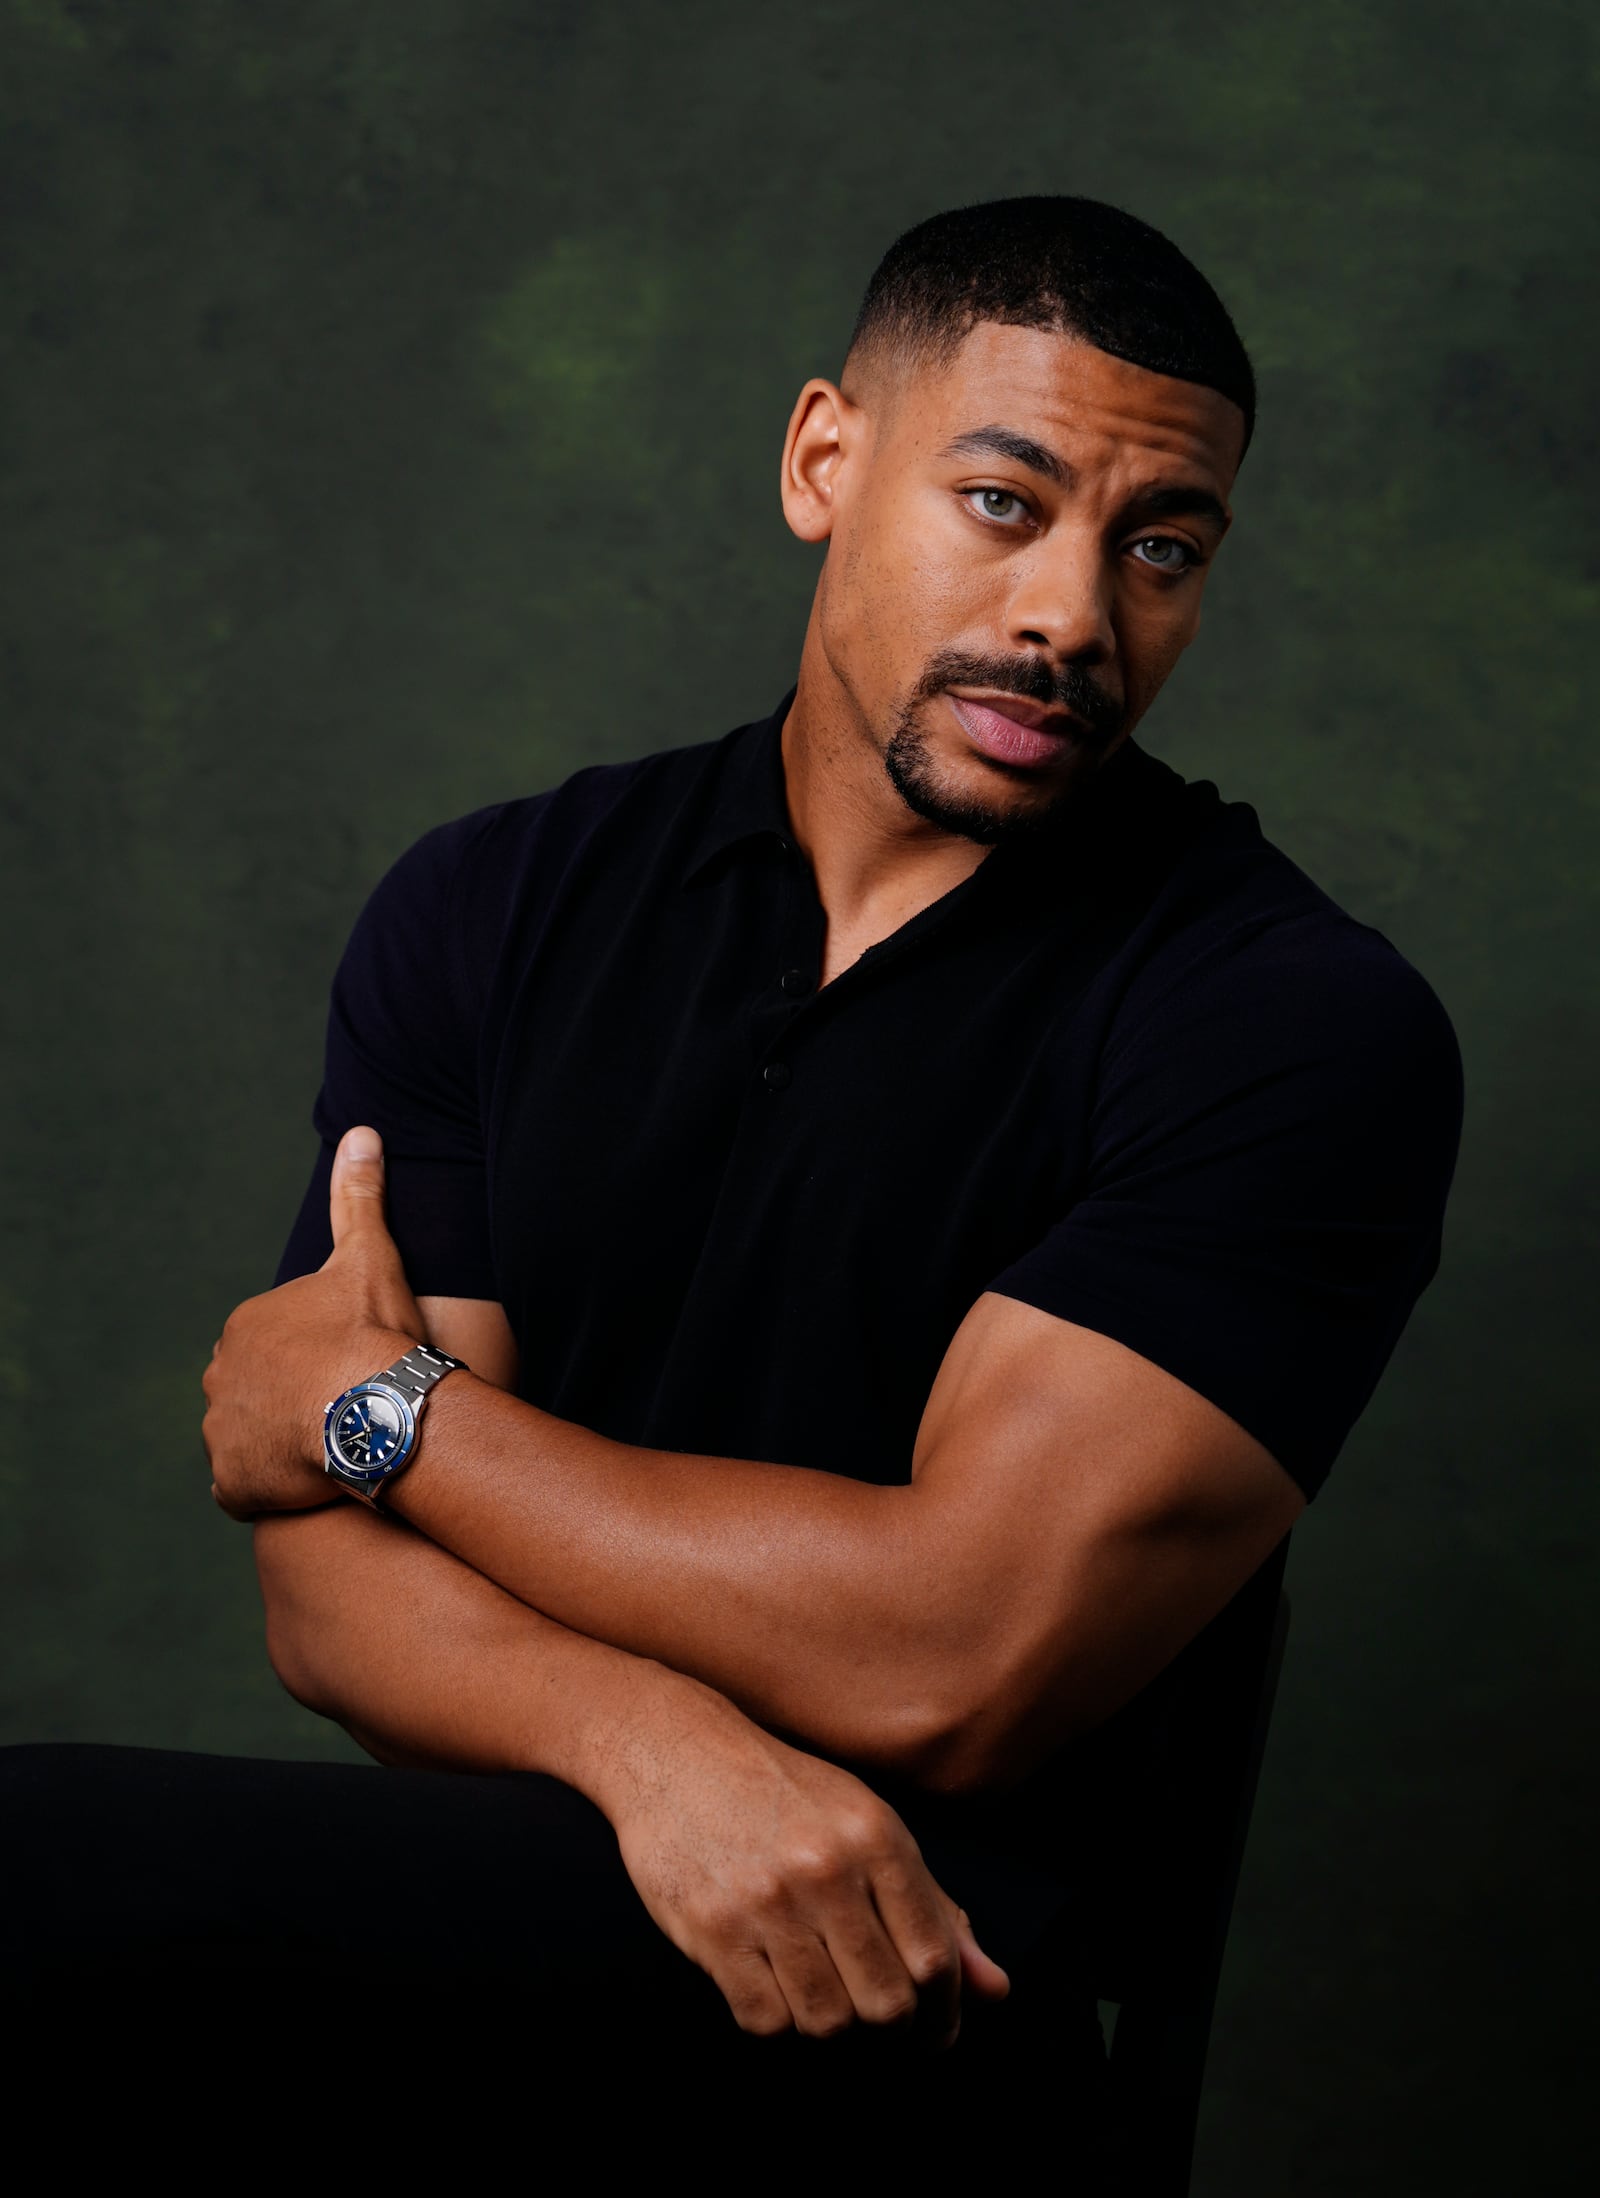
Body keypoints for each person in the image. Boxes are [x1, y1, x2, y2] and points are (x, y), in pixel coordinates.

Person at [5, 196, 1463, 2171]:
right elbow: (326, 1596)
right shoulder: (498, 903)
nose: (1069, 615)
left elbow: (945, 1656)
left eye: (1160, 548)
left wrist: (378, 1415)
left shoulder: (1285, 1024)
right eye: (999, 501)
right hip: (523, 1883)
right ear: (820, 461)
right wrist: (652, 1749)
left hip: (917, 1982)